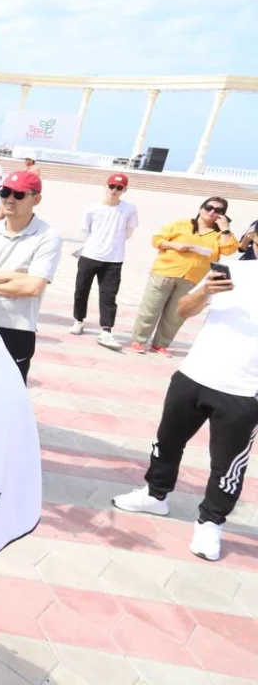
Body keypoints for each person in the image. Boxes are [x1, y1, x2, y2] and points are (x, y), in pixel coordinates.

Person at [112, 262, 258, 562]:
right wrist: (205, 290)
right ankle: (155, 495)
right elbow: (183, 309)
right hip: (193, 376)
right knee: (167, 441)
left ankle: (211, 523)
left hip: (244, 390)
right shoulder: (233, 269)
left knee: (227, 465)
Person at [0, 169, 62, 383]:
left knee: (7, 401)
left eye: (18, 194)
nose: (9, 199)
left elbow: (32, 288)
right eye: (5, 192)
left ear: (36, 199)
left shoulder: (47, 237)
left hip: (17, 328)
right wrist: (15, 277)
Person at [130, 197, 237, 356]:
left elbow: (229, 250)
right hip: (165, 272)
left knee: (175, 314)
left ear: (222, 215)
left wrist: (225, 229)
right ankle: (139, 340)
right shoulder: (181, 224)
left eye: (218, 210)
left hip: (190, 279)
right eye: (209, 207)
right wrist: (175, 245)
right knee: (151, 308)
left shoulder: (219, 235)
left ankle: (161, 344)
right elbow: (157, 240)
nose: (212, 212)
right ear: (201, 209)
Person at [71, 173, 138, 351]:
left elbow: (129, 233)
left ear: (124, 190)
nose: (114, 191)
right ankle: (79, 319)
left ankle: (107, 329)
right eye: (111, 186)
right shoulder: (92, 208)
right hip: (90, 255)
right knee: (81, 290)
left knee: (109, 295)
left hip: (114, 259)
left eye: (118, 188)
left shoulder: (129, 209)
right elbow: (85, 230)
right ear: (105, 186)